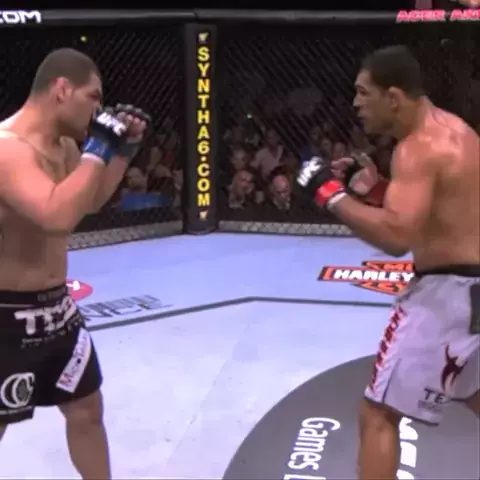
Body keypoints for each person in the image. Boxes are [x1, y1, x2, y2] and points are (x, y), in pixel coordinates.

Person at [297, 45, 479, 479]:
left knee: (378, 413)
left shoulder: (418, 148)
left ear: (393, 97)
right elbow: (449, 214)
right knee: (474, 392)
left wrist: (330, 194)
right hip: (474, 290)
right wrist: (376, 192)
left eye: (364, 93)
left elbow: (397, 238)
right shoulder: (457, 131)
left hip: (448, 295)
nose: (355, 104)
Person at [0, 48, 149, 479]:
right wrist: (98, 147)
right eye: (93, 97)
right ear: (62, 89)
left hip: (57, 309)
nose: (98, 111)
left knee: (86, 410)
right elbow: (55, 216)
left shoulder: (65, 146)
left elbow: (88, 200)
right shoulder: (7, 148)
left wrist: (120, 152)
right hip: (6, 315)